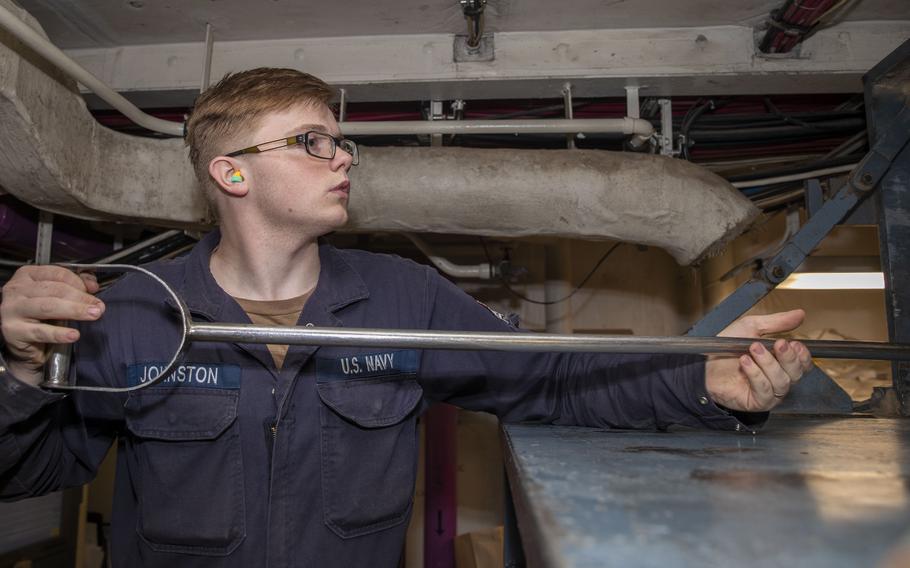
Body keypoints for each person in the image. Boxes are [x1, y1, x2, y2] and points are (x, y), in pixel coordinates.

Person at [0, 68, 813, 567]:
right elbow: (29, 474)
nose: (344, 156)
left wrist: (702, 378)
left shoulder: (403, 297)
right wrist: (22, 373)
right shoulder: (135, 309)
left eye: (341, 141)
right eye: (312, 141)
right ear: (232, 174)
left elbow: (554, 381)